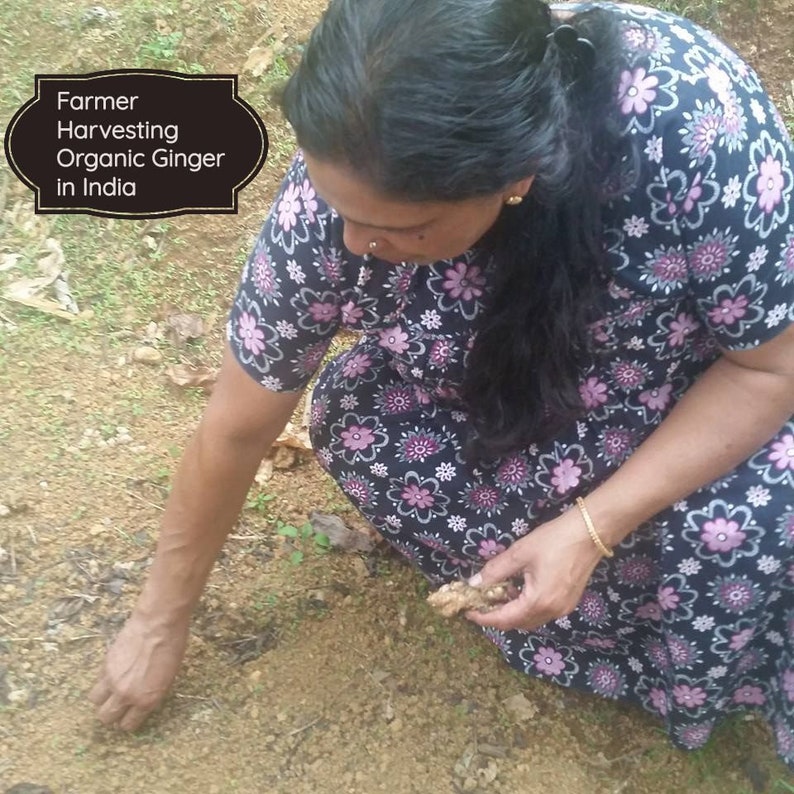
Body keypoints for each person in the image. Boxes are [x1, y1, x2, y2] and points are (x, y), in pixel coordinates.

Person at [90, 0, 794, 768]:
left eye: (406, 228)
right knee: (362, 419)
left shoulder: (697, 130)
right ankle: (573, 597)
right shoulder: (342, 198)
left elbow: (770, 366)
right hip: (508, 403)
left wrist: (593, 527)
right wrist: (161, 617)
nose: (357, 244)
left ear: (515, 178)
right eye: (339, 207)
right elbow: (236, 424)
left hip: (688, 404)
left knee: (749, 523)